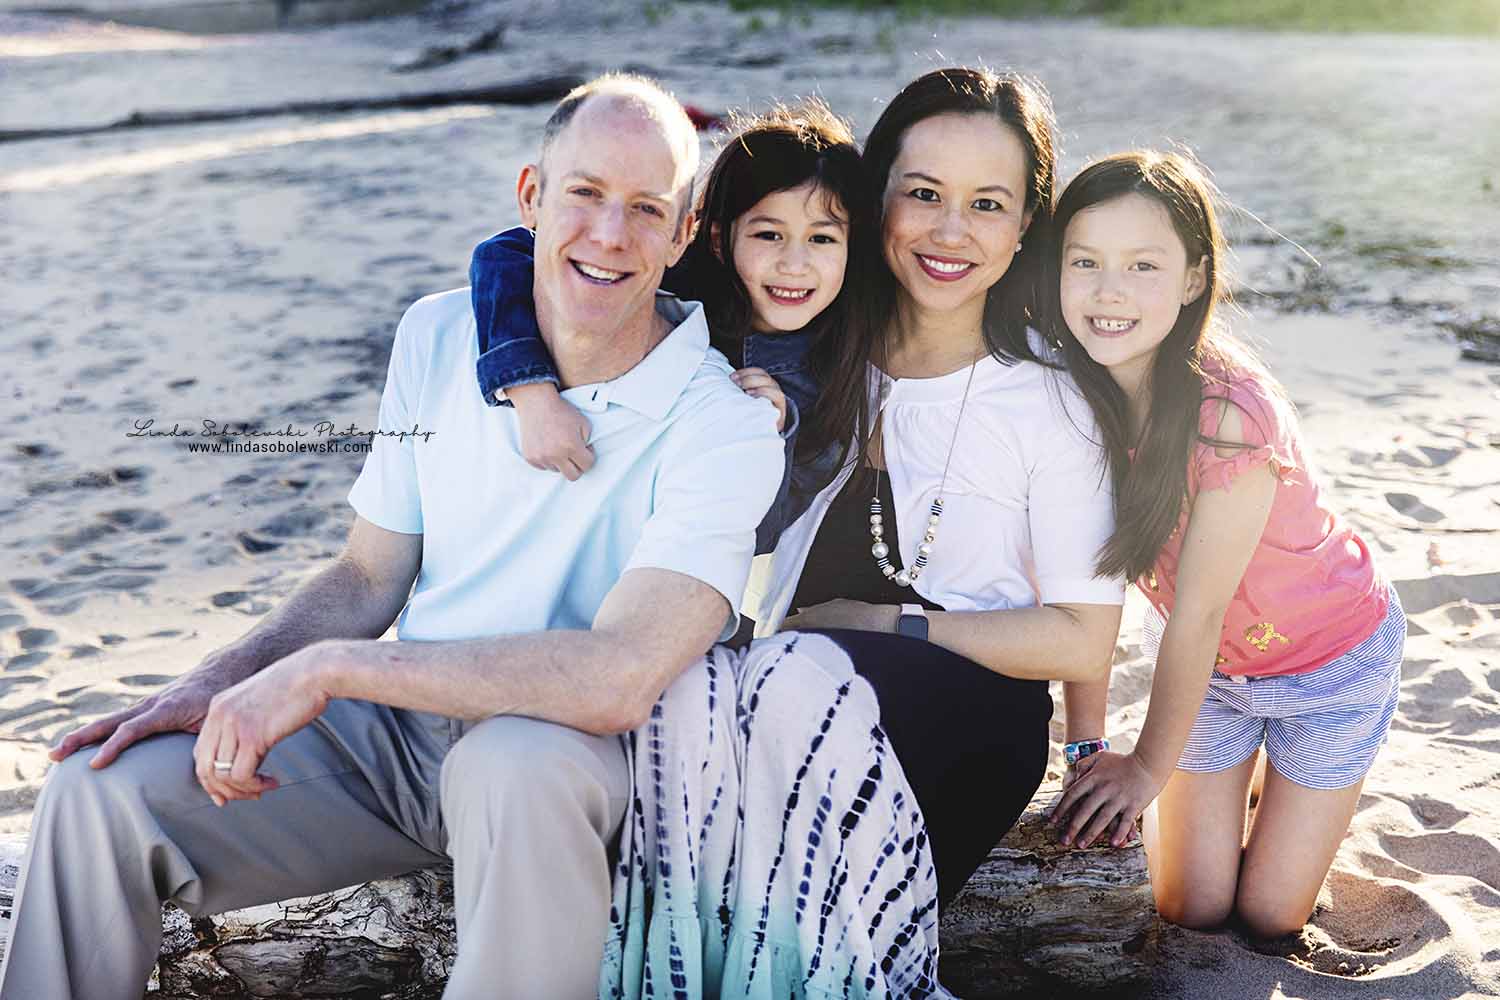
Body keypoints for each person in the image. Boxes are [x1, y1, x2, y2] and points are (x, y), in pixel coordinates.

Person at [0, 73, 786, 1000]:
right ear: (531, 195)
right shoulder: (439, 334)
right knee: (99, 793)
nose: (610, 236)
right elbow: (369, 573)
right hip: (402, 744)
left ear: (684, 233)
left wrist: (331, 672)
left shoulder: (724, 422)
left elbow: (618, 679)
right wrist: (216, 681)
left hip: (579, 767)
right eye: (585, 194)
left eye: (647, 209)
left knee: (512, 762)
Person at [465, 68, 1125, 995]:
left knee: (776, 679)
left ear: (1026, 228)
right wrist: (529, 386)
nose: (948, 230)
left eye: (987, 205)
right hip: (784, 688)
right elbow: (511, 253)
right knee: (700, 685)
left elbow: (1084, 634)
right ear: (878, 200)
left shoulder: (1052, 401)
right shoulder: (819, 332)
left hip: (956, 705)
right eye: (923, 194)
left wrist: (884, 626)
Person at [1045, 151, 1405, 938]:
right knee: (1193, 907)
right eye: (1086, 262)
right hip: (1215, 677)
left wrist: (1145, 769)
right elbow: (1084, 589)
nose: (1110, 291)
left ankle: (1294, 792)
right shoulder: (1069, 397)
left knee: (1270, 916)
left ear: (1194, 278)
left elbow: (1198, 615)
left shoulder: (1227, 415)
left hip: (1330, 664)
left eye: (1143, 265)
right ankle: (1240, 788)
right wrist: (1087, 748)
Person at [470, 98, 866, 553]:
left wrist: (772, 438)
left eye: (822, 239)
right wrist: (529, 390)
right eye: (768, 235)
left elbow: (759, 537)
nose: (794, 264)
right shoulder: (662, 279)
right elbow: (505, 253)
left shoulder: (832, 372)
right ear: (717, 238)